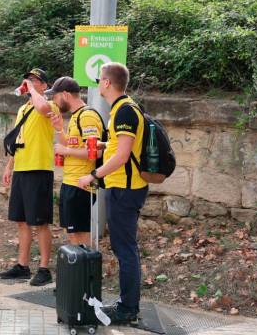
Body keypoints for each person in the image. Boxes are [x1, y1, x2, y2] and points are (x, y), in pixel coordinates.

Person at [78, 62, 148, 326]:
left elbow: (123, 155)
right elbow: (120, 146)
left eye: (100, 80)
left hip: (126, 189)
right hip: (122, 187)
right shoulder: (121, 108)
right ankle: (126, 304)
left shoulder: (125, 111)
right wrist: (104, 144)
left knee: (126, 249)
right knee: (124, 247)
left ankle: (128, 308)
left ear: (107, 82)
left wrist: (94, 175)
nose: (98, 84)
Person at [0, 68, 60, 287]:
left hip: (39, 168)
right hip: (22, 169)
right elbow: (18, 139)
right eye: (28, 80)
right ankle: (22, 265)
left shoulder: (47, 105)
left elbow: (43, 107)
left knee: (40, 221)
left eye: (35, 81)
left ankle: (44, 268)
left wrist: (34, 90)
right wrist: (9, 166)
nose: (30, 83)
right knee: (22, 220)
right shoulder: (23, 108)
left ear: (44, 85)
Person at [47, 76, 105, 246]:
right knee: (72, 234)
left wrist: (66, 150)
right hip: (70, 182)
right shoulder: (75, 116)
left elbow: (95, 152)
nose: (54, 102)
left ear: (65, 94)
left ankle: (86, 270)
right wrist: (59, 130)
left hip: (81, 184)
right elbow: (73, 145)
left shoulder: (87, 116)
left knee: (80, 234)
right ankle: (78, 270)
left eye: (55, 97)